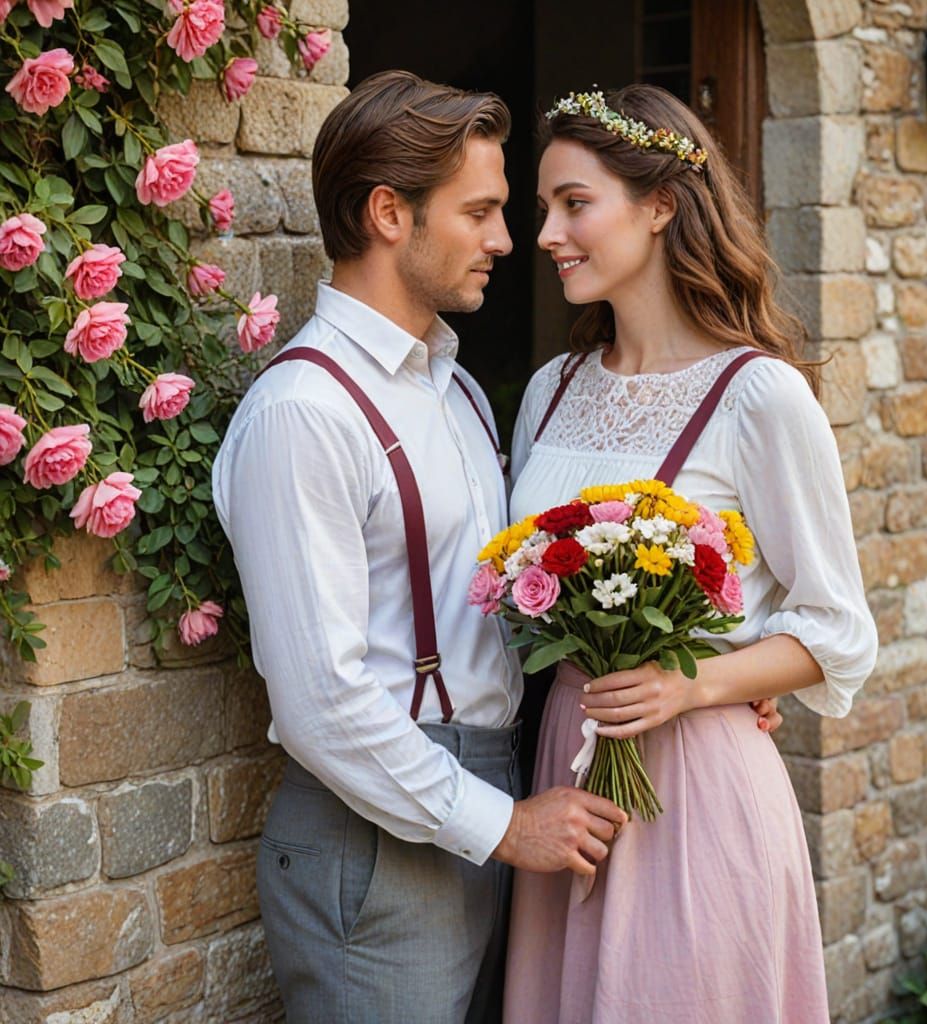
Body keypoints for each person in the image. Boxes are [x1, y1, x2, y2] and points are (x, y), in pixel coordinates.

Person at [211, 71, 632, 1024]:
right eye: (479, 210)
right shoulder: (305, 413)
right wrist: (506, 825)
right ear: (389, 212)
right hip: (380, 835)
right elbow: (322, 703)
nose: (504, 239)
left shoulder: (459, 390)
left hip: (487, 786)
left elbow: (496, 603)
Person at [504, 85, 878, 1024]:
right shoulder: (549, 390)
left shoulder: (760, 396)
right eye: (543, 207)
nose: (546, 233)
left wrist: (697, 684)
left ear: (661, 205)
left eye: (573, 204)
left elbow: (836, 626)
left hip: (699, 785)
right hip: (565, 772)